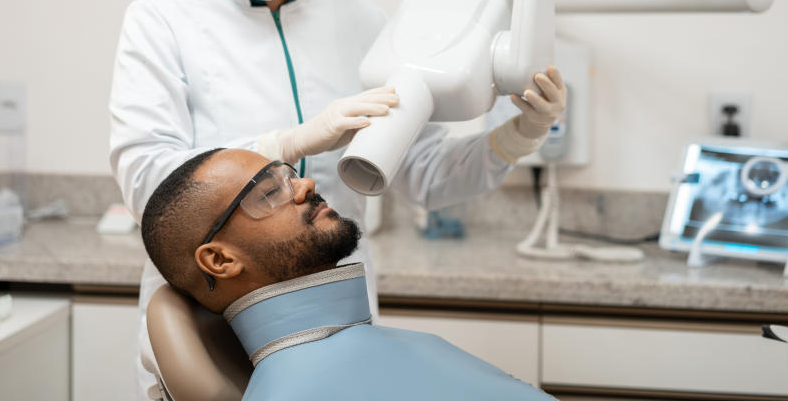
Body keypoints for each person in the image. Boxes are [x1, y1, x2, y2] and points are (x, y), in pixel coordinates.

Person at [109, 0, 566, 398]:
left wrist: (519, 133)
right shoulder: (160, 22)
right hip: (209, 325)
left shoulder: (362, 23)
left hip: (334, 324)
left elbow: (423, 174)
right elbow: (150, 182)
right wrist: (289, 144)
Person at [141, 148, 554, 400]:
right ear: (220, 261)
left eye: (289, 175)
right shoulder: (295, 391)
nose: (304, 185)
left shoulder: (389, 347)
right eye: (269, 192)